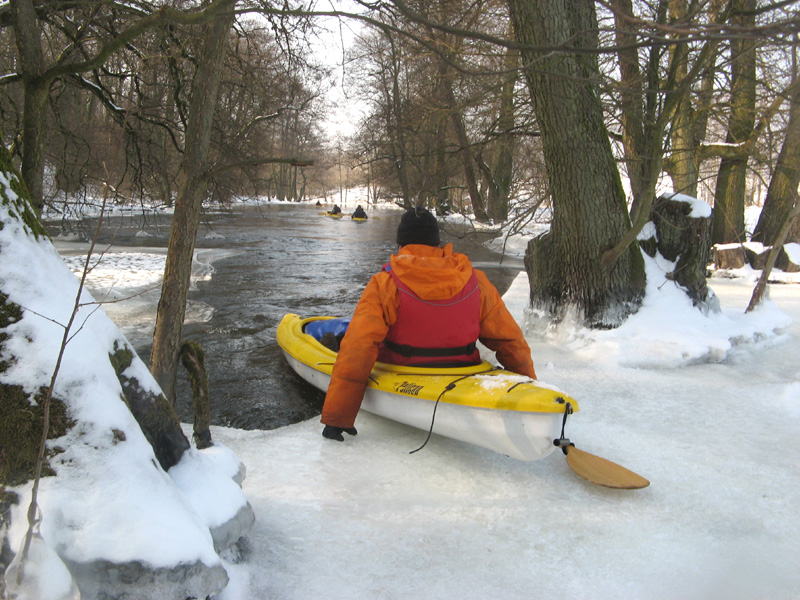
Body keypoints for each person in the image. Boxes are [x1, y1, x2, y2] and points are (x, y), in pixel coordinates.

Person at [320, 207, 537, 441]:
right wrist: (530, 391)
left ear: (401, 244)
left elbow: (359, 347)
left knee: (345, 339)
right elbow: (510, 340)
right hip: (462, 369)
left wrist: (338, 416)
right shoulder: (476, 280)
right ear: (437, 243)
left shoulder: (385, 283)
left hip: (402, 368)